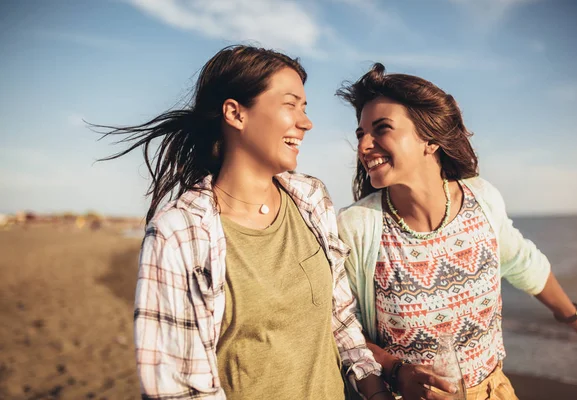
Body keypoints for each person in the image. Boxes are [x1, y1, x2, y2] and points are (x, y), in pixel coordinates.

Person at [97, 46, 393, 399]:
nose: (306, 122)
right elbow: (177, 390)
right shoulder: (178, 234)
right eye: (290, 104)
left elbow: (340, 320)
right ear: (235, 114)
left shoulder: (313, 200)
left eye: (305, 107)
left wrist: (376, 392)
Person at [335, 63, 577, 400]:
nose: (364, 146)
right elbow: (344, 330)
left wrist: (573, 316)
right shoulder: (357, 226)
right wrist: (396, 370)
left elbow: (521, 261)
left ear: (429, 140)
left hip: (495, 391)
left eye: (381, 129)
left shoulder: (481, 198)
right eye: (360, 134)